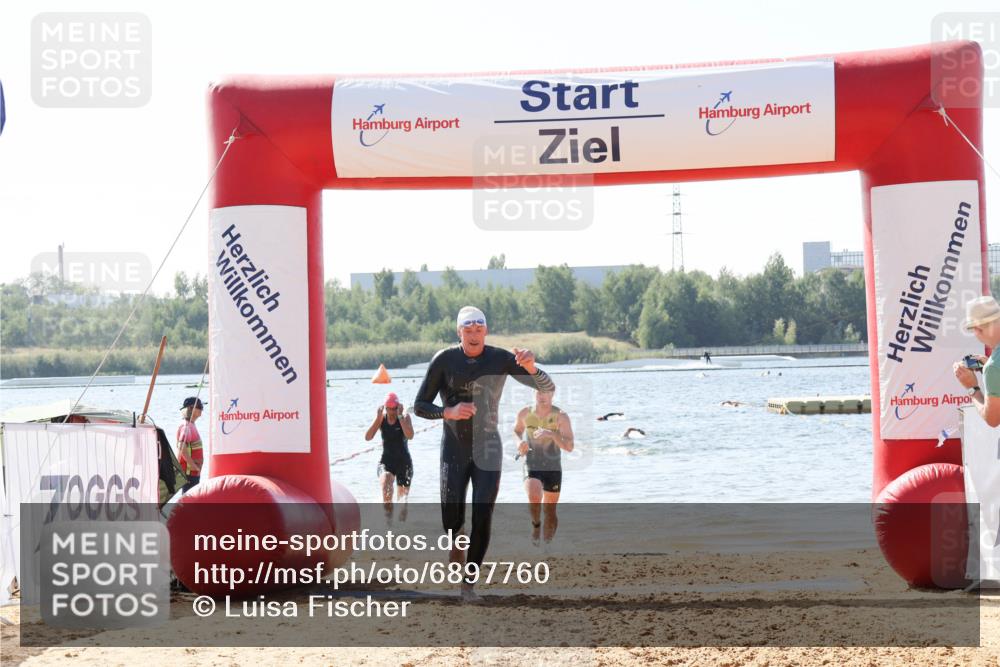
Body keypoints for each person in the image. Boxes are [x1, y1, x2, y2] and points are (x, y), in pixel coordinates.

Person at [414, 306, 555, 602]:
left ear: (486, 331)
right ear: (459, 332)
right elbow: (420, 406)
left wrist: (531, 367)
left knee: (483, 514)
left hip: (488, 446)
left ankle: (469, 583)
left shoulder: (500, 358)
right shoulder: (444, 360)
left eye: (479, 329)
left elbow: (547, 386)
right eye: (468, 329)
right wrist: (448, 412)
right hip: (454, 448)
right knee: (452, 518)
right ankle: (455, 537)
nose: (474, 334)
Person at [515, 389, 574, 545]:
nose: (542, 396)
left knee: (550, 510)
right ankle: (535, 524)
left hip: (553, 466)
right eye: (538, 392)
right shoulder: (525, 413)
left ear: (552, 394)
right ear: (534, 393)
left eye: (546, 393)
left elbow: (569, 447)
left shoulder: (561, 416)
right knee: (534, 494)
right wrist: (519, 443)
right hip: (532, 462)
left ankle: (547, 548)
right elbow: (517, 431)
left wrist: (553, 434)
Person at [365, 391, 415, 521]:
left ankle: (401, 531)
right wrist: (377, 419)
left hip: (404, 463)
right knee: (386, 482)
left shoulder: (405, 417)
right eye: (389, 409)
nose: (392, 412)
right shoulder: (382, 418)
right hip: (386, 461)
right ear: (385, 408)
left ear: (398, 407)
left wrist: (400, 417)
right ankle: (388, 524)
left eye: (394, 409)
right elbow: (368, 437)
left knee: (402, 506)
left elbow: (410, 435)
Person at [953, 296, 1000, 427]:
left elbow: (993, 419)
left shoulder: (993, 367)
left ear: (978, 329)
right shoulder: (993, 366)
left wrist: (972, 387)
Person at [177, 397, 204, 492]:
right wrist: (194, 466)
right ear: (190, 408)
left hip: (193, 473)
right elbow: (181, 447)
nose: (202, 409)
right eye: (199, 407)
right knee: (188, 503)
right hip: (189, 474)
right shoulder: (186, 426)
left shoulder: (191, 425)